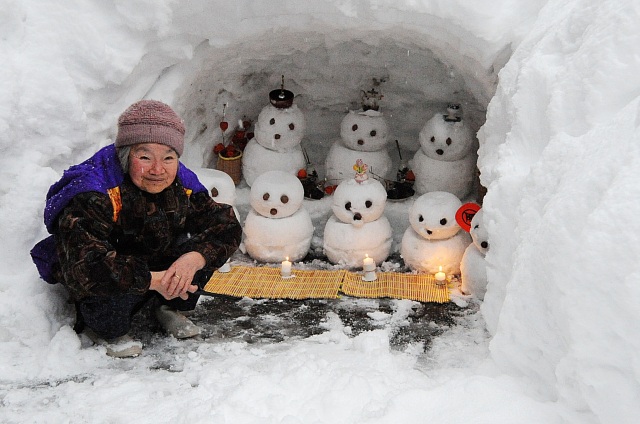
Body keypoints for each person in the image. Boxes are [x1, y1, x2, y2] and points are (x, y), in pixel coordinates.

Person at [31, 100, 242, 358]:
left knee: (200, 248)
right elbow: (85, 265)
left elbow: (224, 224)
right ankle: (106, 329)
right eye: (144, 157)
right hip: (108, 265)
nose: (157, 169)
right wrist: (154, 280)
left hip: (150, 259)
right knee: (104, 284)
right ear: (125, 153)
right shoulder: (94, 192)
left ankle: (168, 307)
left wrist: (193, 259)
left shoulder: (180, 181)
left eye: (168, 157)